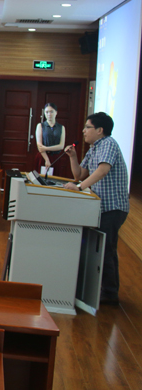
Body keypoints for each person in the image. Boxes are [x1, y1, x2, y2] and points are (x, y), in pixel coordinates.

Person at [63, 112, 129, 305]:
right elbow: (79, 175)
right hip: (100, 207)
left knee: (106, 249)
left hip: (113, 207)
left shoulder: (108, 144)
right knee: (102, 248)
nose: (84, 131)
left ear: (100, 130)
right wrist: (73, 157)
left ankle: (110, 294)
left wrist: (79, 188)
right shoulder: (94, 148)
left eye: (88, 127)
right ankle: (101, 290)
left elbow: (102, 170)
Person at [35, 103, 66, 174]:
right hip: (43, 156)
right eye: (47, 112)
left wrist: (46, 148)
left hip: (56, 157)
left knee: (55, 178)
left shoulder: (61, 127)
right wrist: (47, 160)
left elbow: (61, 146)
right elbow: (40, 147)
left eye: (51, 112)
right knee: (41, 178)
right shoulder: (40, 126)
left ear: (56, 112)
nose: (49, 114)